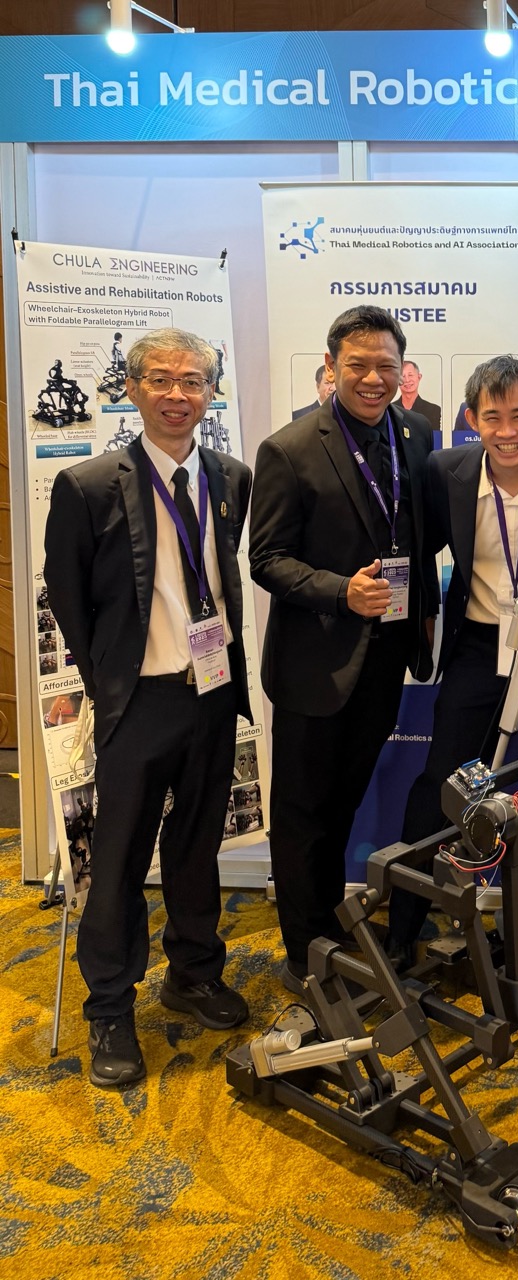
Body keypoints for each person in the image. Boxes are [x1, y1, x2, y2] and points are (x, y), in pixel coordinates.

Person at [43, 327, 254, 1087]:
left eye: (192, 380)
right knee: (121, 858)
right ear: (131, 389)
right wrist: (112, 684)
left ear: (211, 393)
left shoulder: (230, 477)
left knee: (197, 846)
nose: (176, 394)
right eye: (160, 379)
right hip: (138, 703)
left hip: (212, 694)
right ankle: (110, 1007)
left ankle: (194, 972)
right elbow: (68, 599)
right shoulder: (89, 485)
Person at [387, 356, 518, 964]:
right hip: (480, 648)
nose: (507, 432)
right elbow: (415, 549)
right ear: (471, 418)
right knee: (443, 785)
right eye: (492, 417)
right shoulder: (445, 473)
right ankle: (402, 933)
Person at [251, 305, 438, 991]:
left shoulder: (417, 434)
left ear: (402, 369)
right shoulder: (290, 448)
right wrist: (339, 592)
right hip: (315, 663)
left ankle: (331, 927)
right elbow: (266, 559)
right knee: (303, 814)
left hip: (385, 657)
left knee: (342, 805)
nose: (373, 378)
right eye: (358, 365)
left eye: (386, 365)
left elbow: (421, 532)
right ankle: (307, 955)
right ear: (331, 367)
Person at [396, 358, 443, 438]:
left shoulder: (433, 410)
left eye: (410, 375)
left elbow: (434, 440)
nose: (407, 380)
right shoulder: (389, 409)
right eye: (403, 376)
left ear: (419, 377)